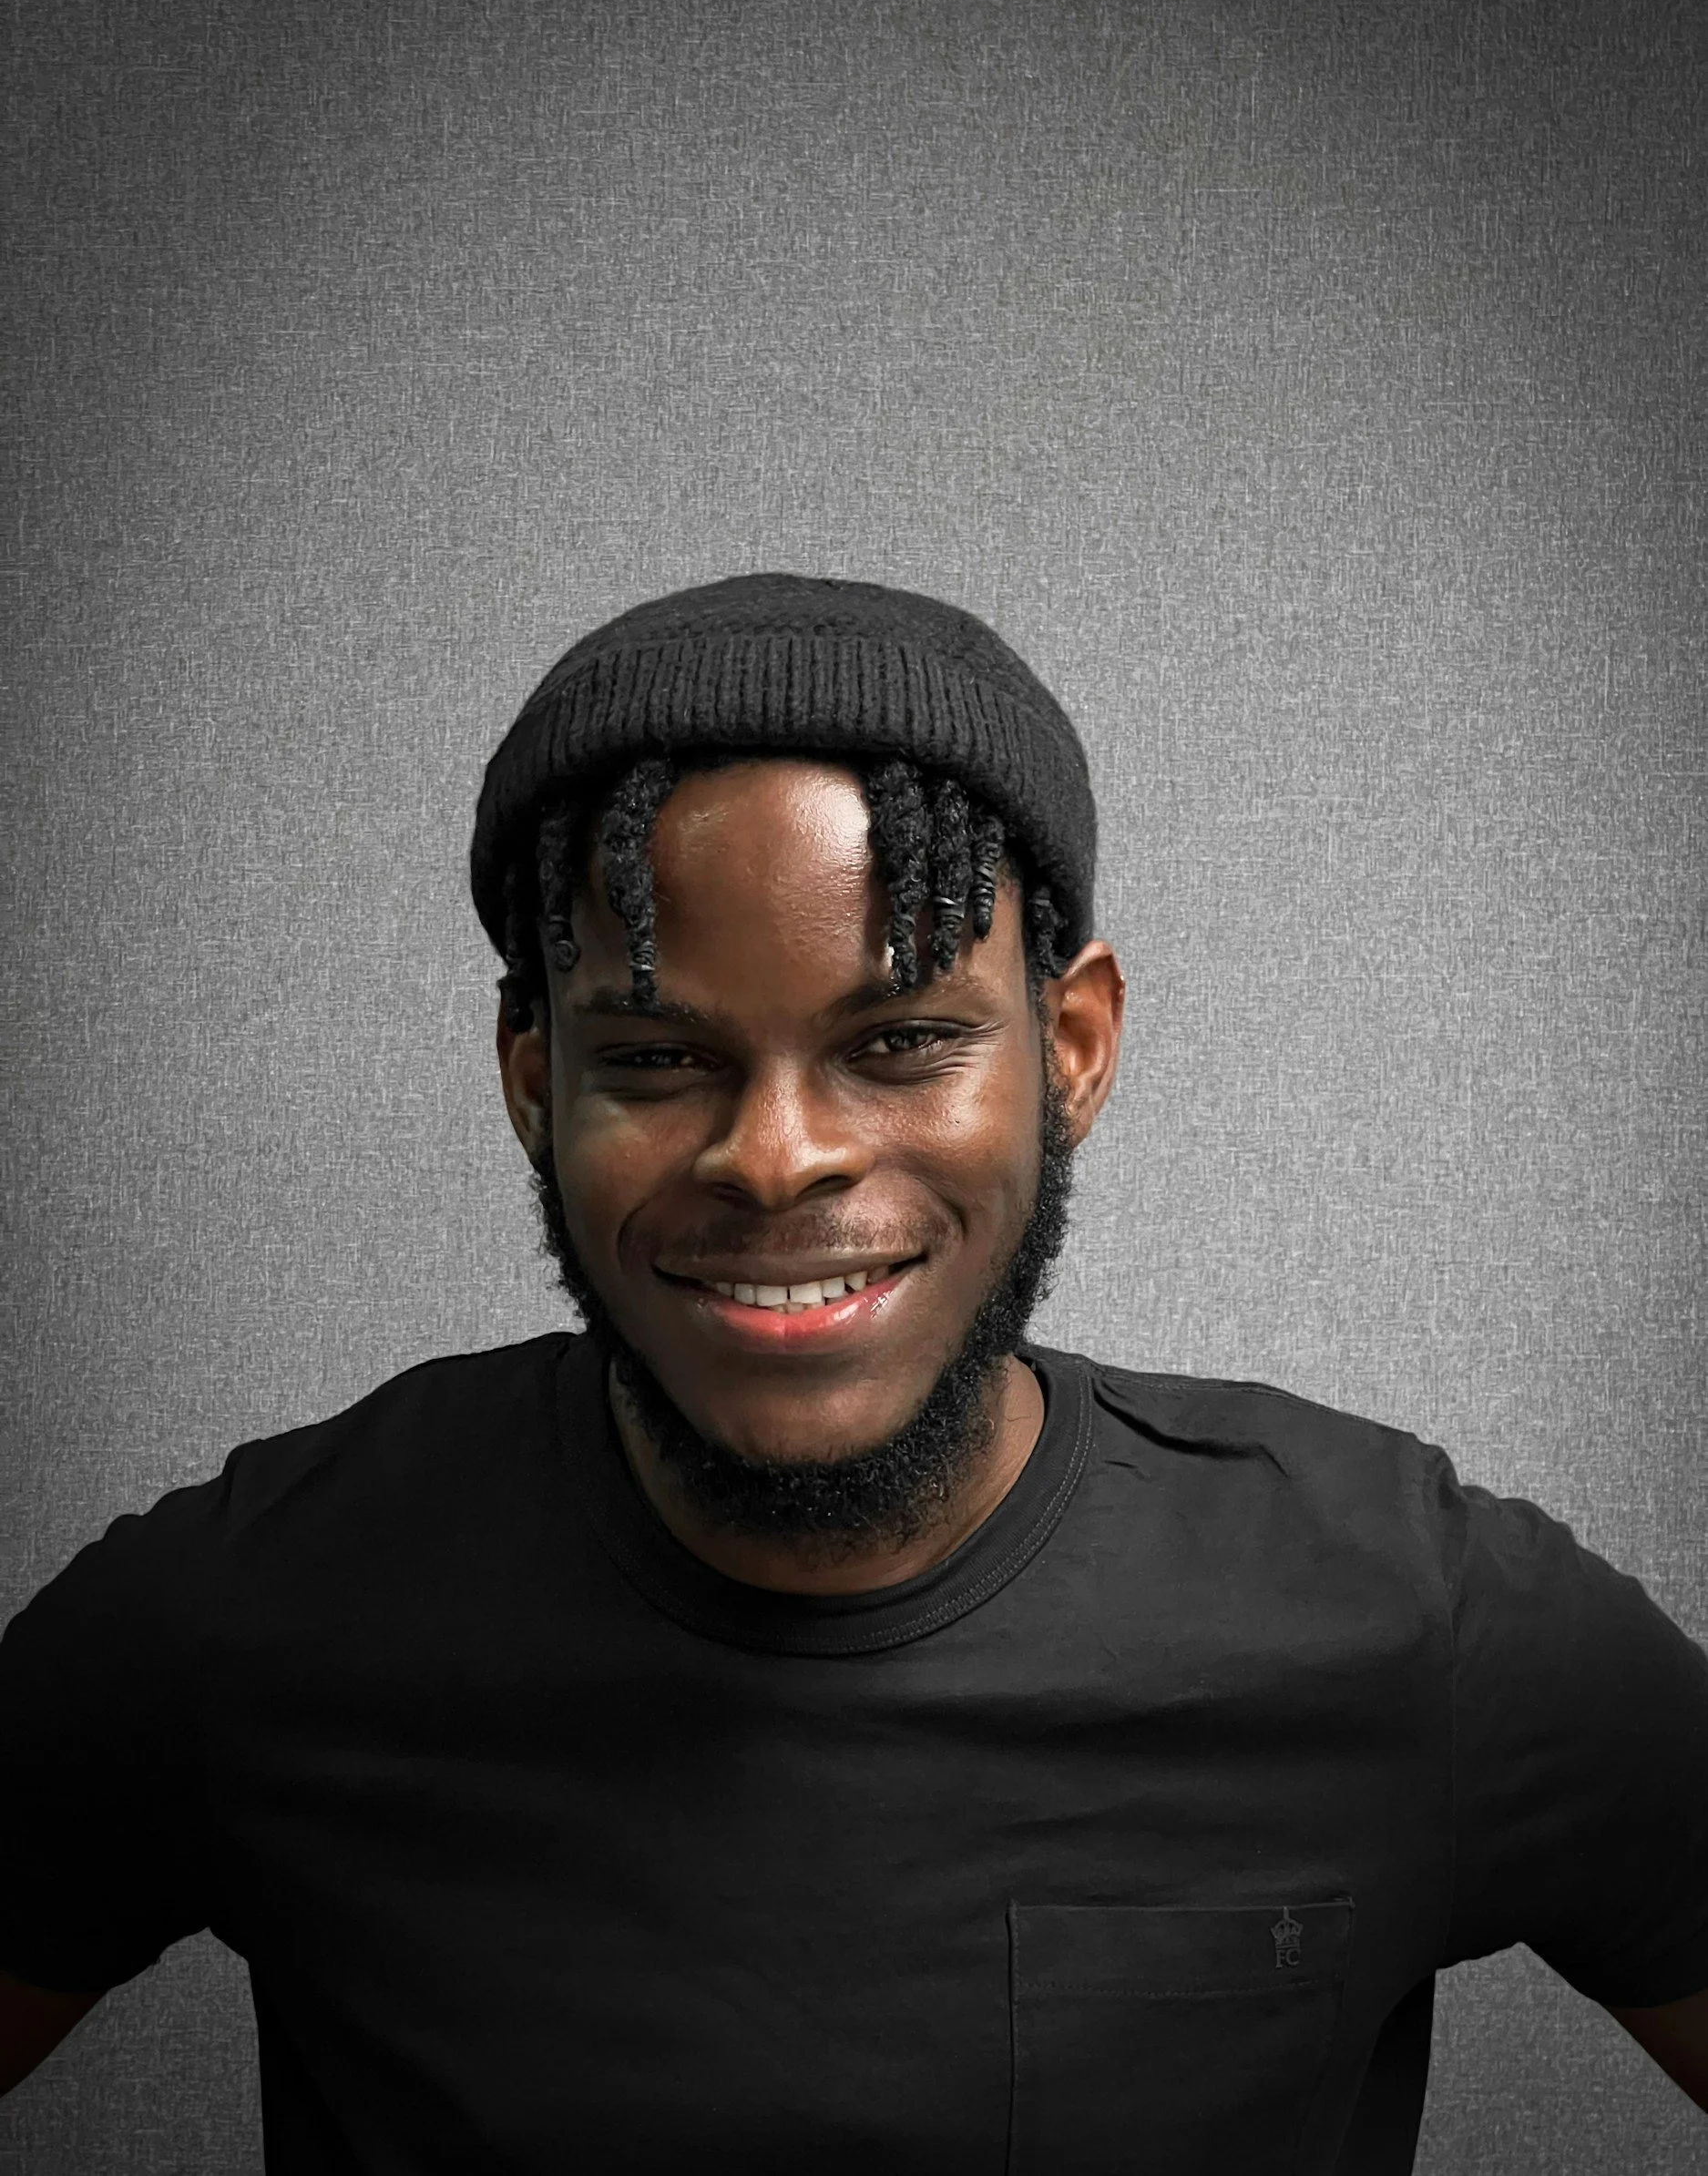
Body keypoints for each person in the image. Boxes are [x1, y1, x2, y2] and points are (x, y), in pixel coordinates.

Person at [2, 573, 1704, 2172]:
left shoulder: (1417, 1614)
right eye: (659, 1057)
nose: (776, 1157)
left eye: (898, 1043)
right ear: (536, 1079)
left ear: (1070, 1051)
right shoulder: (254, 1608)